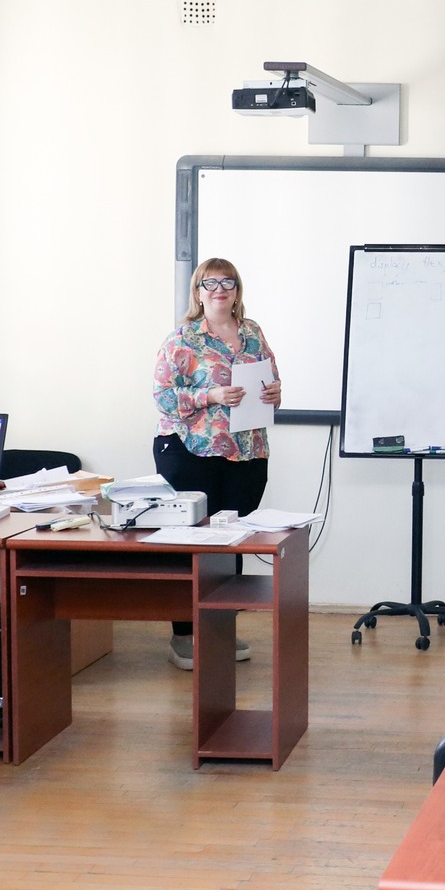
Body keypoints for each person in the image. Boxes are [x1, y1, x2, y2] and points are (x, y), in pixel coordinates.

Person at [152, 258, 283, 668]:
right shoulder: (183, 339)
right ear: (198, 292)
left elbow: (270, 381)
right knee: (192, 544)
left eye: (228, 282)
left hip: (246, 452)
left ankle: (221, 629)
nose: (219, 290)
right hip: (190, 452)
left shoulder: (252, 332)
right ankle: (184, 636)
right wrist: (209, 396)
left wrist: (274, 393)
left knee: (231, 541)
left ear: (237, 290)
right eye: (210, 283)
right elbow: (163, 397)